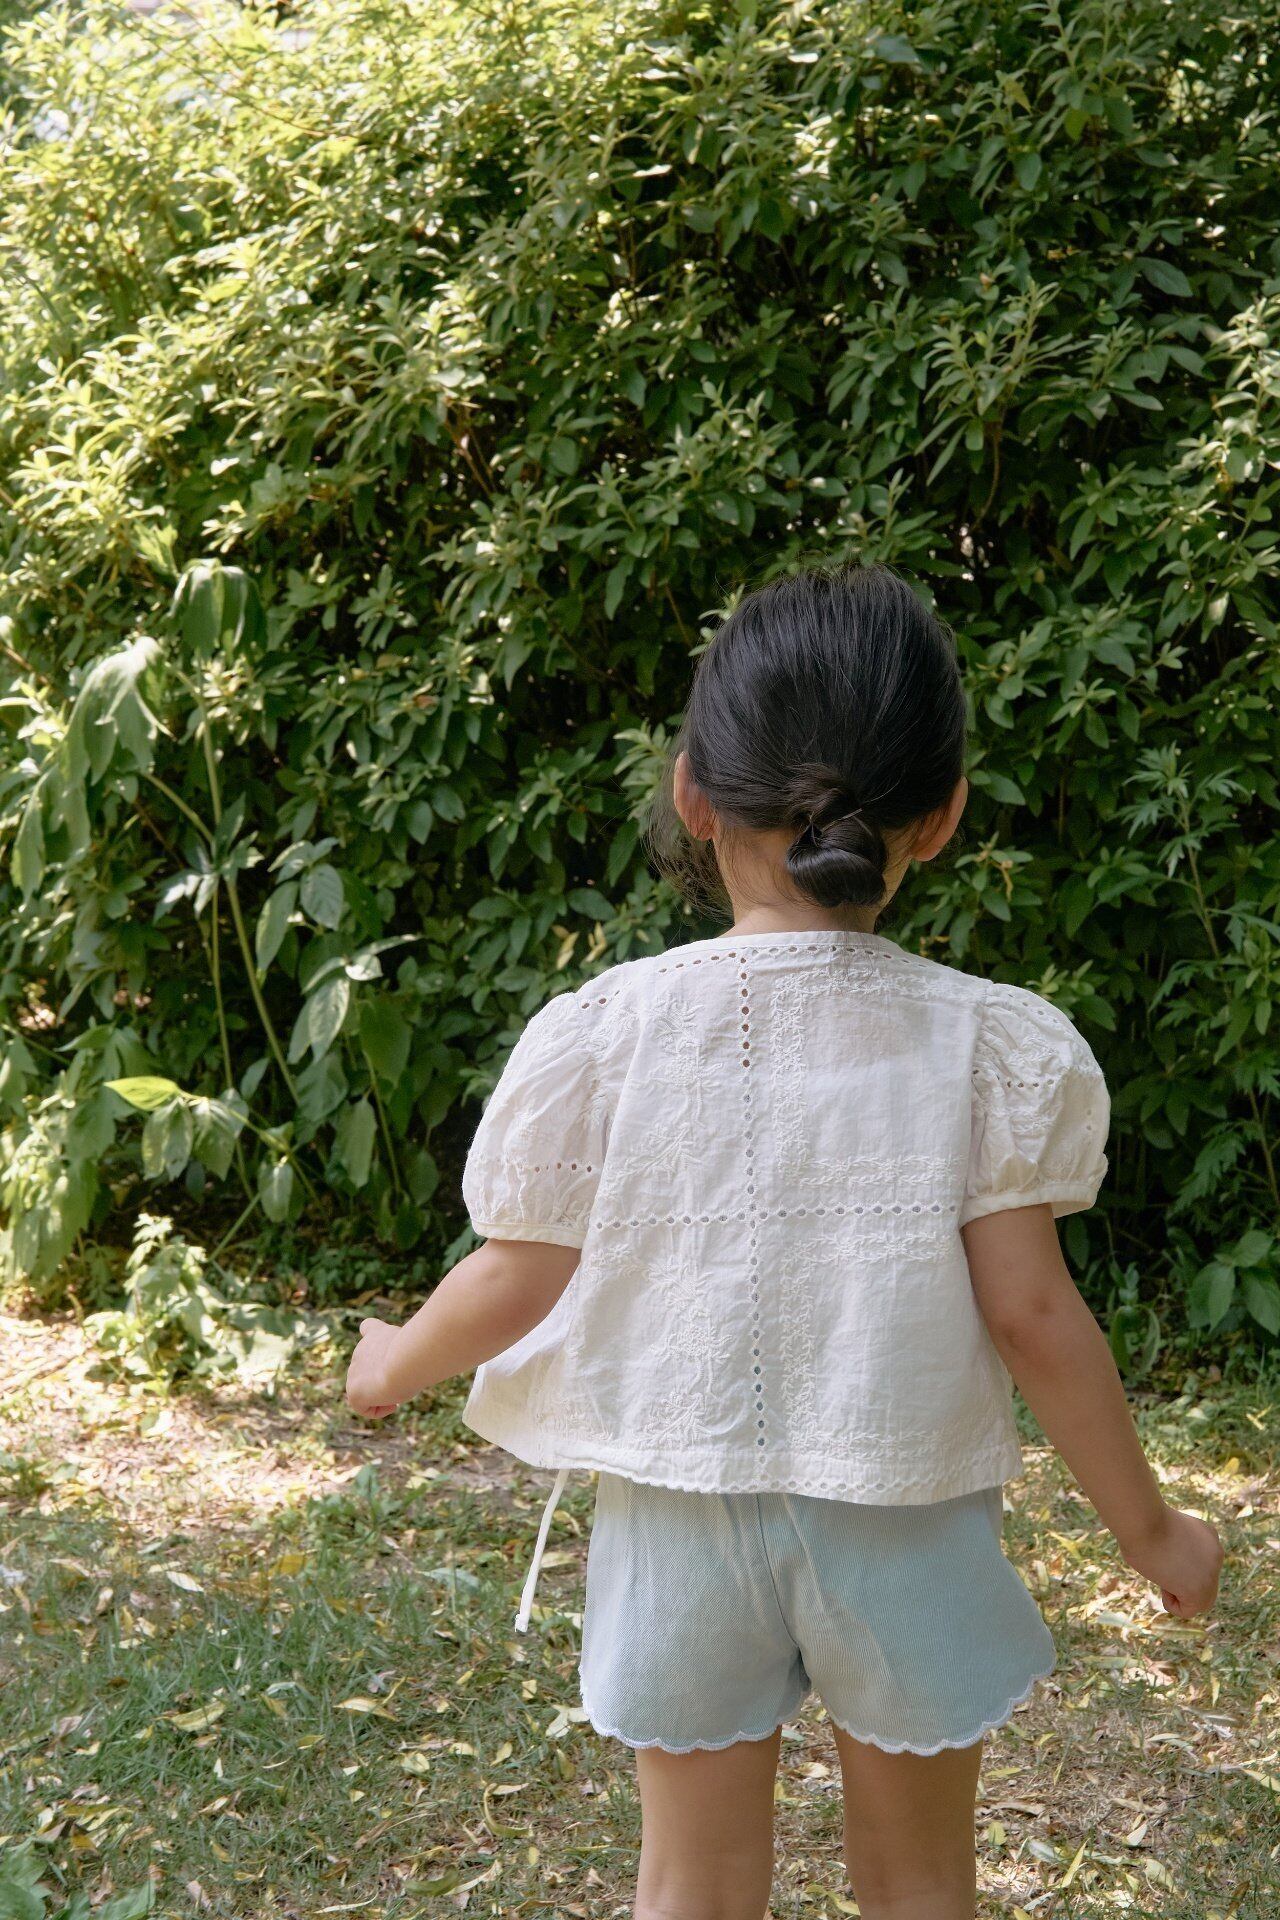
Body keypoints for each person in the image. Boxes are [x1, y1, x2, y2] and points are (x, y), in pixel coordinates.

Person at [345, 562, 1223, 1920]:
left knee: (691, 1881)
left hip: (680, 1519)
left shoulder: (608, 1033)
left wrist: (393, 1363)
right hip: (906, 1515)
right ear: (943, 817)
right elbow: (1034, 1314)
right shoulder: (987, 1044)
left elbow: (520, 1270)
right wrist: (1152, 1530)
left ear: (694, 794)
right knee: (922, 1881)